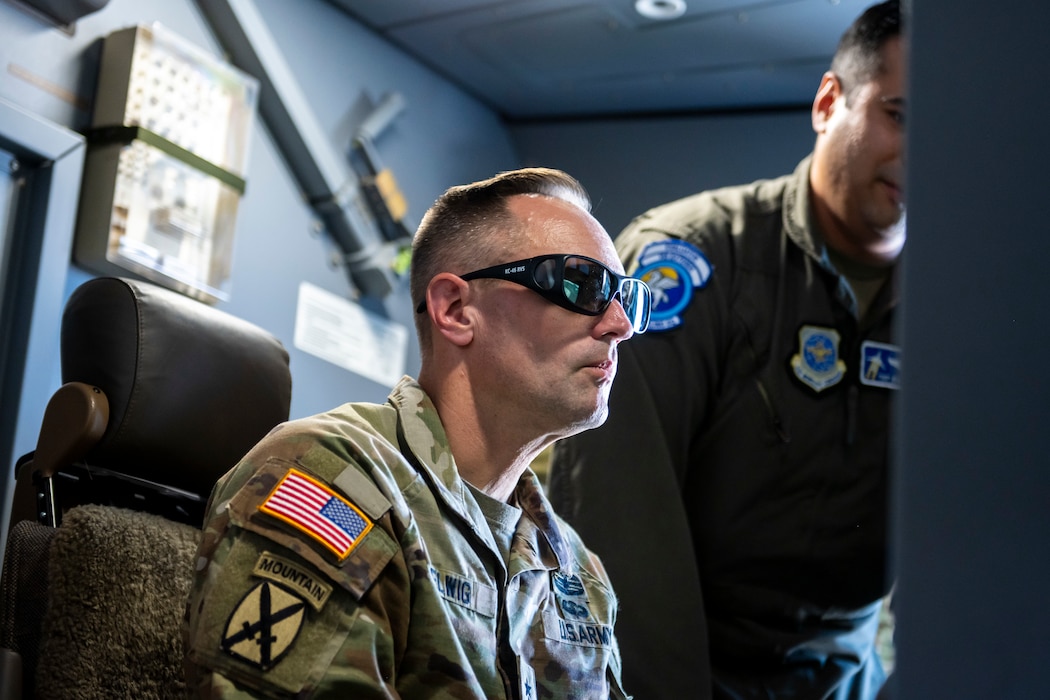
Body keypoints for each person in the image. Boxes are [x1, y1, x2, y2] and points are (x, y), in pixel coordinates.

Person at [547, 2, 905, 698]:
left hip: (850, 678)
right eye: (902, 116)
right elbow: (613, 525)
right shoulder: (692, 259)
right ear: (830, 102)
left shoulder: (972, 307)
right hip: (684, 667)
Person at [182, 167, 651, 698]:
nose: (621, 323)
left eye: (627, 296)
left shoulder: (576, 571)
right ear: (454, 310)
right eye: (581, 283)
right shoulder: (336, 480)